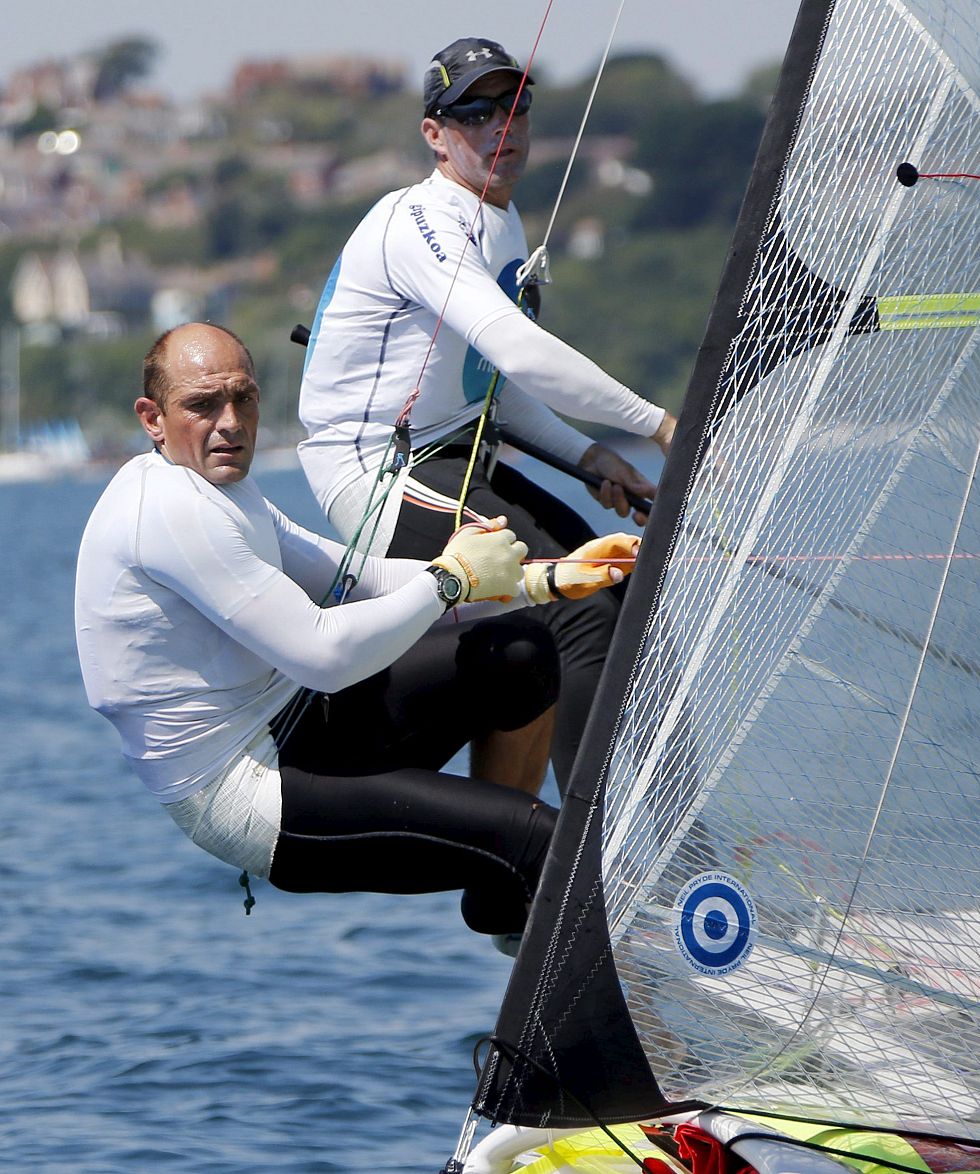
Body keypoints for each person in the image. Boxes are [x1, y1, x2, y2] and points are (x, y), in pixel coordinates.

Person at [74, 322, 640, 940]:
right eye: (203, 406)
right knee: (551, 845)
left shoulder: (221, 488)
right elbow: (325, 655)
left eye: (244, 398)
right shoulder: (169, 511)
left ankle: (501, 896)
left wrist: (549, 578)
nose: (231, 422)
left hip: (298, 721)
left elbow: (357, 578)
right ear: (152, 419)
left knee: (518, 650)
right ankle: (608, 985)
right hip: (254, 795)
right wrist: (449, 582)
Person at [296, 36, 676, 792]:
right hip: (375, 476)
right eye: (473, 112)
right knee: (577, 607)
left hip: (451, 454)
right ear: (434, 135)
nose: (500, 126)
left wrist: (588, 457)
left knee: (623, 584)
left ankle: (677, 844)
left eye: (514, 106)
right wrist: (662, 425)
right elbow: (521, 350)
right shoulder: (420, 220)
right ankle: (584, 869)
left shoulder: (500, 223)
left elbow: (491, 387)